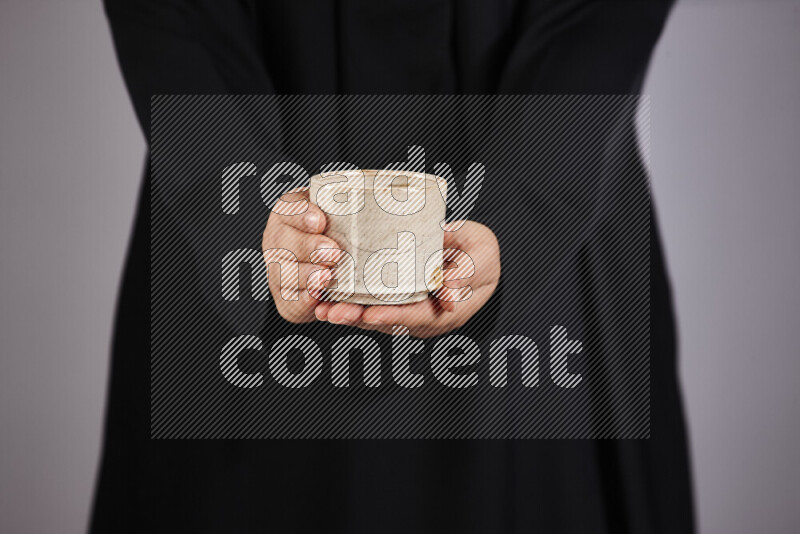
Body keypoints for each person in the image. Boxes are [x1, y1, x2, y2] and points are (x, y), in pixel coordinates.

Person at [92, 0, 694, 532]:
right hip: (239, 211)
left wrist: (519, 220)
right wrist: (243, 213)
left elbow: (599, 14)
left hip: (550, 202)